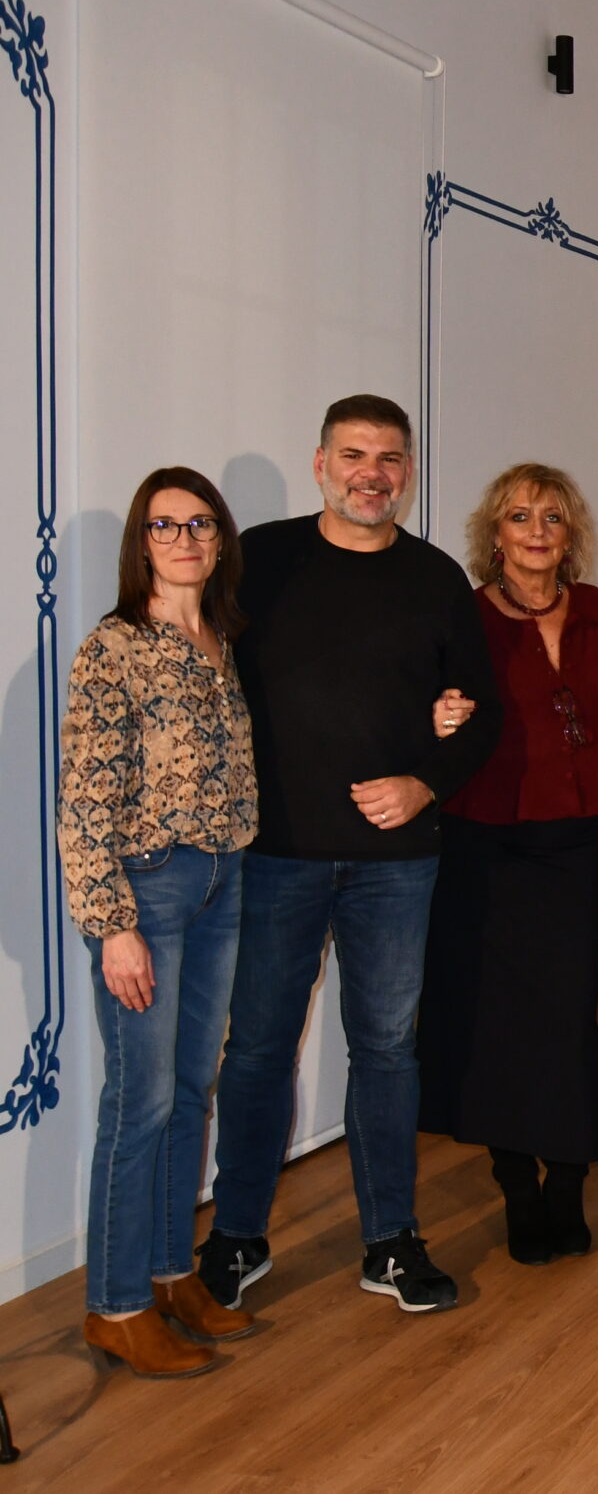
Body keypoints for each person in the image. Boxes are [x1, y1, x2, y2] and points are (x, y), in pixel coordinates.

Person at [203, 397, 499, 1316]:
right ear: (321, 463)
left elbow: (479, 712)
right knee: (258, 1048)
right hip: (276, 856)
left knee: (386, 1049)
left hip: (396, 861)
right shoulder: (261, 559)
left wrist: (424, 783)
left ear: (407, 471)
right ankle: (236, 1235)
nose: (373, 473)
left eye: (390, 458)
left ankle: (390, 1241)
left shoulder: (437, 577)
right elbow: (200, 666)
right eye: (355, 454)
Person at [61, 471, 259, 1376]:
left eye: (200, 522)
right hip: (148, 889)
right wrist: (113, 925)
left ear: (220, 540)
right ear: (141, 543)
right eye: (165, 524)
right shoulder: (114, 648)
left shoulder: (220, 641)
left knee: (188, 1091)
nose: (184, 538)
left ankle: (173, 1274)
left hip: (222, 879)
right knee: (137, 1102)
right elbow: (84, 801)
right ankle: (115, 1303)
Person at [417, 465, 598, 1266]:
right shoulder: (463, 617)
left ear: (570, 536)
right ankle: (516, 1186)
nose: (537, 530)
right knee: (496, 1024)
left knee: (567, 1021)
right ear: (494, 534)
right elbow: (422, 710)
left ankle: (566, 1180)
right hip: (483, 846)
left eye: (552, 517)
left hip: (571, 843)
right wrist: (436, 718)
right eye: (520, 516)